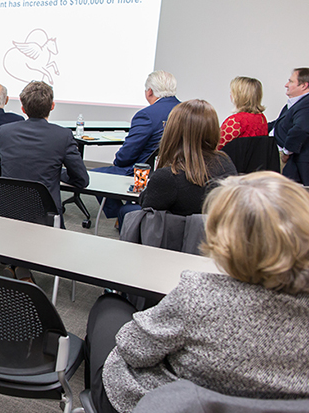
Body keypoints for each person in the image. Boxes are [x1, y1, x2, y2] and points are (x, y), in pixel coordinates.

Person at [84, 171, 309, 413]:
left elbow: (135, 350)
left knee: (108, 307)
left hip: (165, 402)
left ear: (224, 237)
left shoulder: (200, 294)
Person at [121, 99, 237, 223]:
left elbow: (146, 205)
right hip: (215, 236)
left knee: (126, 212)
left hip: (177, 239)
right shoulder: (225, 161)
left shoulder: (168, 177)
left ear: (173, 131)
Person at [0, 81, 89, 217]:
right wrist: (58, 174)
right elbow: (82, 179)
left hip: (7, 210)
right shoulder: (63, 135)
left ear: (23, 109)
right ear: (52, 106)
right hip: (45, 215)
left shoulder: (4, 131)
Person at [93, 71, 181, 219]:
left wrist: (118, 161)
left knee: (96, 175)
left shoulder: (147, 115)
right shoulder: (186, 110)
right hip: (177, 170)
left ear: (150, 91)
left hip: (143, 171)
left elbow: (128, 154)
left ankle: (122, 217)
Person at [270, 67, 309, 184]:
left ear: (304, 86)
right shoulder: (297, 103)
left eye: (291, 81)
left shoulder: (306, 105)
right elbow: (279, 123)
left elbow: (300, 129)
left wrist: (286, 152)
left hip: (298, 162)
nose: (286, 85)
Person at [217, 76, 268, 150]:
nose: (230, 93)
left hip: (232, 161)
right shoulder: (262, 118)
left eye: (233, 91)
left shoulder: (235, 121)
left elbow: (217, 147)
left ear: (239, 96)